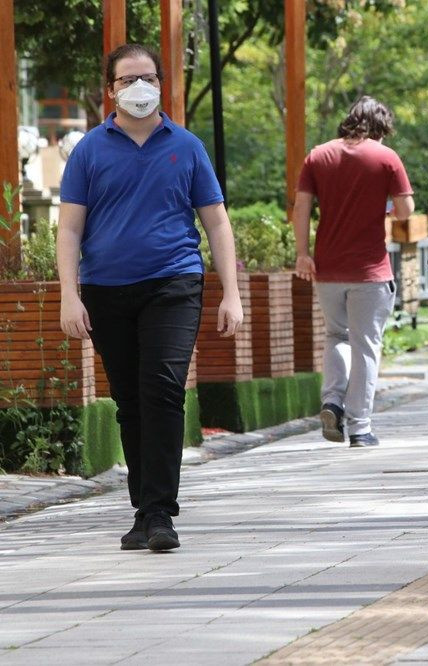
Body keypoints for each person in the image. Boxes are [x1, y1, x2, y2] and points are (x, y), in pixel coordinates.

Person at [57, 44, 243, 552]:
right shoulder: (89, 151)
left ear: (161, 84)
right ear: (111, 90)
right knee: (131, 401)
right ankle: (144, 509)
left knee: (162, 389)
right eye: (127, 79)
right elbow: (69, 229)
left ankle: (161, 512)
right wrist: (68, 296)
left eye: (148, 77)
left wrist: (232, 293)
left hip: (174, 283)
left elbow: (217, 222)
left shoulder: (186, 146)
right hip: (105, 290)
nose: (139, 87)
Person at [292, 96, 414, 448]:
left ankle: (332, 401)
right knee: (365, 346)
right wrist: (385, 202)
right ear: (380, 128)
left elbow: (301, 207)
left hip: (327, 268)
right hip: (370, 271)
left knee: (336, 336)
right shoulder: (385, 157)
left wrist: (303, 254)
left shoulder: (318, 155)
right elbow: (406, 211)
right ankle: (360, 427)